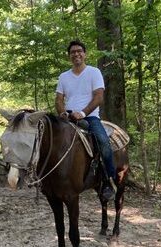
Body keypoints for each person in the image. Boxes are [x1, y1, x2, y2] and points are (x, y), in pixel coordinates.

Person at [55, 40, 117, 200]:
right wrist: (62, 113)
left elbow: (99, 97)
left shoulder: (94, 72)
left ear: (85, 54)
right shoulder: (63, 76)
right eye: (72, 52)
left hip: (90, 118)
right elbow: (59, 100)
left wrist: (82, 113)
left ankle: (110, 180)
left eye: (79, 51)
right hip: (68, 118)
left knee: (103, 142)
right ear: (69, 56)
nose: (76, 54)